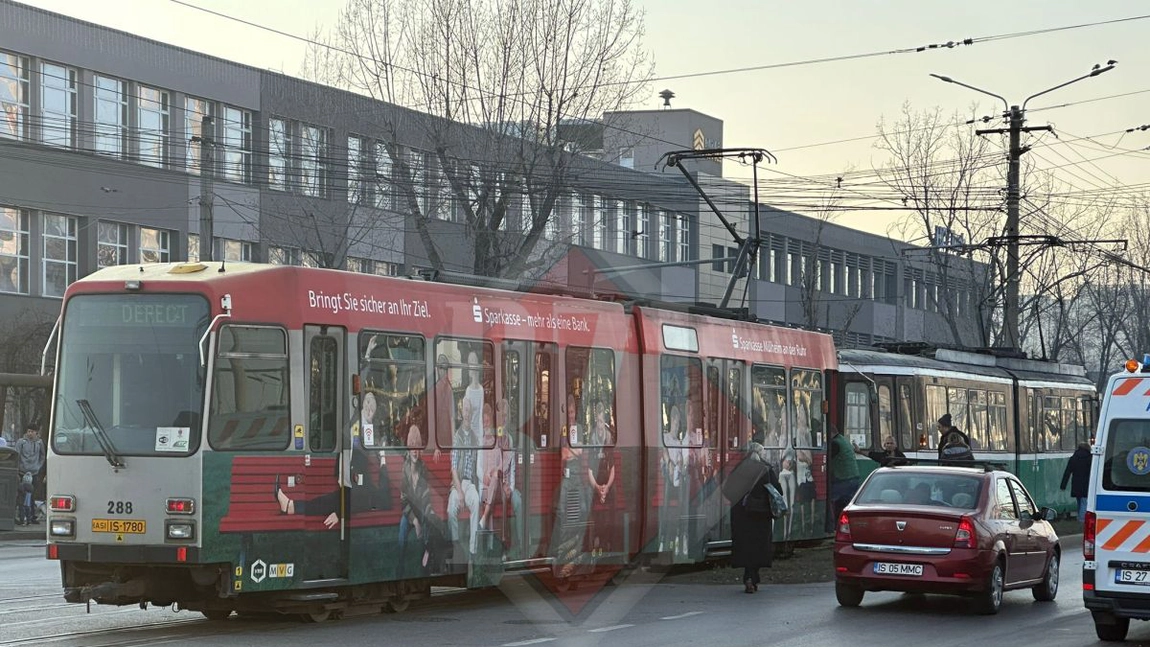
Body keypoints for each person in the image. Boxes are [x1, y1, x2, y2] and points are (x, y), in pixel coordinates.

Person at [730, 433, 783, 594]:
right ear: (761, 453)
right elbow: (778, 491)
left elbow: (727, 490)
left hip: (742, 517)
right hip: (761, 516)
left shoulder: (739, 467)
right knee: (758, 549)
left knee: (746, 549)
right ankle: (753, 577)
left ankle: (748, 576)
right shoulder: (766, 469)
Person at [397, 425, 446, 577]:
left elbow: (426, 495)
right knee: (402, 531)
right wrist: (415, 521)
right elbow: (403, 500)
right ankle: (400, 567)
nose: (415, 451)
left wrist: (427, 512)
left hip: (421, 508)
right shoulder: (404, 468)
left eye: (417, 447)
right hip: (409, 511)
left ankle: (426, 560)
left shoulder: (423, 467)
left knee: (429, 525)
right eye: (412, 447)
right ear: (408, 448)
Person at [828, 423, 860, 522]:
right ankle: (842, 525)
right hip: (853, 478)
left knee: (828, 499)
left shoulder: (835, 443)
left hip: (844, 479)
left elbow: (828, 459)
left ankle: (832, 525)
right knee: (844, 505)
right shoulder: (843, 440)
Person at [14, 424, 44, 526]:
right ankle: (20, 517)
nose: (30, 433)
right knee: (20, 495)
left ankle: (31, 516)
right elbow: (16, 456)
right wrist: (17, 470)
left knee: (32, 496)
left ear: (36, 432)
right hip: (22, 472)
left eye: (32, 431)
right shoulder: (21, 442)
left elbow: (42, 456)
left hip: (34, 472)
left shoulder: (39, 443)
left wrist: (38, 466)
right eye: (29, 431)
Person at [1061, 442, 1092, 521]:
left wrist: (1063, 485)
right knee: (1084, 502)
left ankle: (1080, 517)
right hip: (1086, 484)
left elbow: (1067, 472)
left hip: (1076, 484)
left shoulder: (1074, 458)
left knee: (1079, 502)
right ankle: (1081, 520)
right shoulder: (1090, 458)